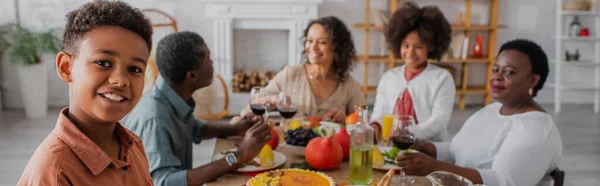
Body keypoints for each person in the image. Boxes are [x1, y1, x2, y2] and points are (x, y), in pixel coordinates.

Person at [18, 1, 155, 185]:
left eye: (134, 69)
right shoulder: (54, 172)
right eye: (104, 63)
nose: (121, 80)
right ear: (66, 67)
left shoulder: (133, 145)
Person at [395, 39, 563, 186]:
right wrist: (423, 147)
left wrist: (436, 167)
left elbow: (503, 182)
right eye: (495, 69)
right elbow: (458, 151)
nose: (497, 77)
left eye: (509, 72)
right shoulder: (492, 110)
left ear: (533, 80)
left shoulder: (535, 129)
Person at [124, 31, 272, 186]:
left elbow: (195, 128)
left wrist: (235, 128)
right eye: (208, 59)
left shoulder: (170, 94)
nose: (212, 63)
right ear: (191, 76)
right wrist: (239, 155)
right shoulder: (155, 120)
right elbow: (164, 182)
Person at [239, 16, 365, 124]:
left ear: (337, 47)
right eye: (309, 41)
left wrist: (346, 120)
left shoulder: (349, 85)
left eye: (322, 42)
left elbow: (363, 124)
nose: (313, 47)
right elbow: (251, 107)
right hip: (289, 149)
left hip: (330, 151)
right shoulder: (291, 74)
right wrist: (273, 98)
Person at [370, 2, 456, 142]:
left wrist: (406, 132)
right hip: (393, 145)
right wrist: (375, 126)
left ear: (430, 47)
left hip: (428, 148)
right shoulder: (389, 78)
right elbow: (379, 113)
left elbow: (439, 121)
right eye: (406, 45)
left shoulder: (442, 78)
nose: (410, 53)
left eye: (419, 47)